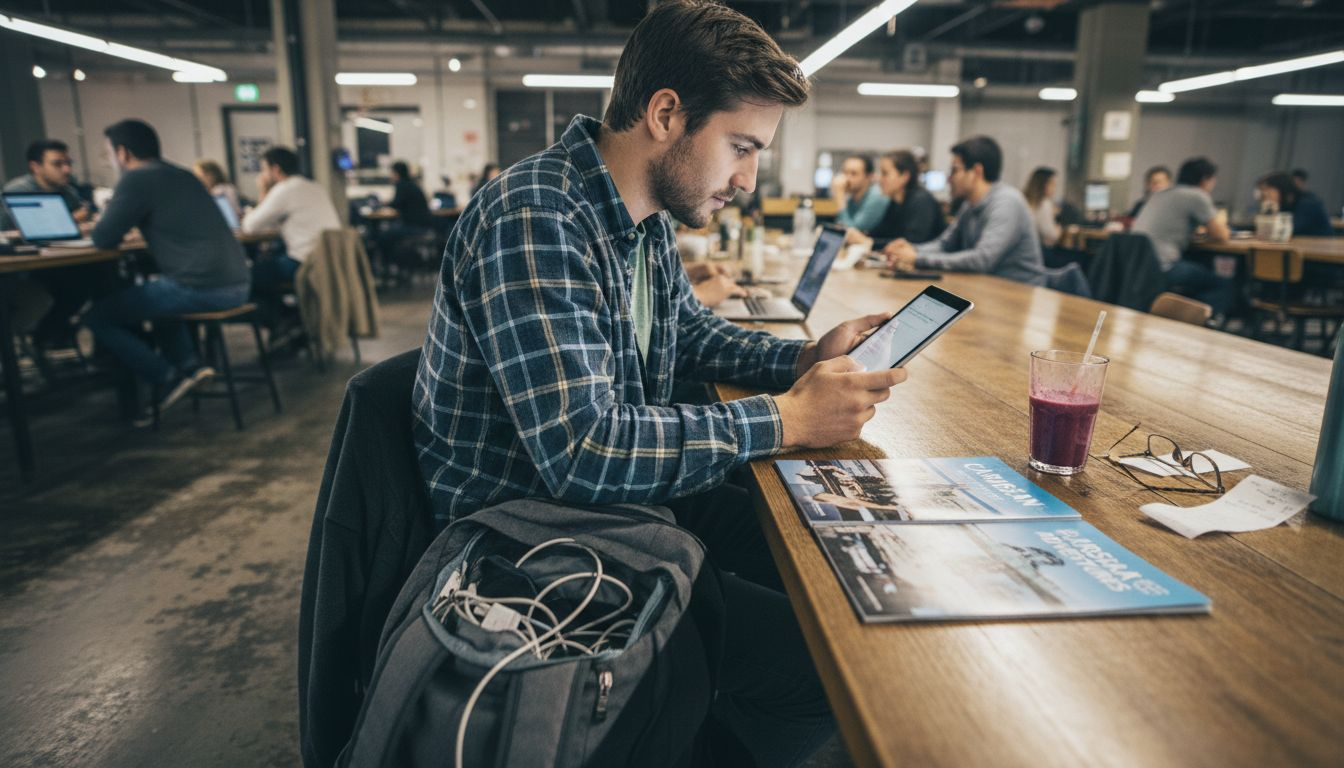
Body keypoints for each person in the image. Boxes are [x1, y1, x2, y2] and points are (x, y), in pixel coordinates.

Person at [413, 3, 905, 764]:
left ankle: (694, 716)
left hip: (615, 506)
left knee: (833, 552)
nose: (747, 180)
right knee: (824, 667)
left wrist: (799, 365)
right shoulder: (538, 215)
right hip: (535, 543)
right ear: (667, 113)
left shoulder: (640, 219)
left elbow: (684, 332)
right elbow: (584, 449)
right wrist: (784, 420)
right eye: (741, 147)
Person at [85, 119, 250, 423]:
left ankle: (166, 376)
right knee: (157, 295)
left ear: (122, 153)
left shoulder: (136, 179)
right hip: (237, 281)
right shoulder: (184, 175)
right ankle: (191, 366)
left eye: (108, 153)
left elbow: (102, 238)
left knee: (98, 317)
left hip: (203, 288)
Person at [882, 136, 1046, 286]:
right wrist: (911, 249)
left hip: (1022, 293)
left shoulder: (1007, 202)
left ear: (976, 171)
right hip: (990, 288)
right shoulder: (969, 204)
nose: (949, 178)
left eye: (955, 170)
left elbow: (981, 260)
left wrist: (917, 258)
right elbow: (944, 244)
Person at [3, 139, 105, 349]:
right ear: (35, 167)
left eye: (68, 163)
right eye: (58, 164)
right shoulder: (18, 190)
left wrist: (77, 223)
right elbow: (18, 234)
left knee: (101, 277)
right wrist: (72, 223)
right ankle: (47, 335)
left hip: (60, 262)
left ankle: (59, 335)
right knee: (82, 283)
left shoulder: (67, 191)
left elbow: (83, 220)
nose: (67, 170)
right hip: (26, 268)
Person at [1131, 156, 1232, 314]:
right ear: (1206, 179)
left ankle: (1182, 316)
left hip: (1138, 265)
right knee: (1224, 284)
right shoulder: (1197, 195)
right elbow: (1221, 235)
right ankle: (1200, 325)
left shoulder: (1159, 194)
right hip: (1164, 267)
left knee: (1197, 271)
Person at [240, 146, 341, 286]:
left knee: (247, 276)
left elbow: (249, 226)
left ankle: (274, 308)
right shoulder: (315, 186)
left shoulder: (285, 189)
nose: (262, 175)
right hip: (329, 260)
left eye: (264, 170)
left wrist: (262, 190)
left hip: (304, 262)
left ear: (276, 169)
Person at [845, 149, 943, 249]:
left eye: (885, 173)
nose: (880, 179)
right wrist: (863, 238)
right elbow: (881, 233)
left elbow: (911, 243)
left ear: (904, 176)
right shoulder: (895, 202)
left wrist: (868, 242)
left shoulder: (922, 202)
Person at [1258, 171, 1332, 237]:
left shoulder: (1308, 203)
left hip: (1316, 249)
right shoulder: (1284, 203)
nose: (1264, 194)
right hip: (1297, 246)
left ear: (1282, 188)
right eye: (1262, 190)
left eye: (1268, 189)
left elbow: (1287, 230)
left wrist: (1270, 210)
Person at [831, 154, 887, 232]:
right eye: (845, 172)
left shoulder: (877, 196)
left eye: (853, 174)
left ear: (869, 177)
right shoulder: (852, 198)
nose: (847, 178)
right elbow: (839, 225)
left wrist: (840, 196)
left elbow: (851, 232)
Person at [1022, 166, 1061, 247]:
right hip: (1039, 251)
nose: (1054, 189)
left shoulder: (1023, 200)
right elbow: (1051, 236)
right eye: (1053, 184)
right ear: (1044, 185)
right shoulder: (1044, 203)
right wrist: (1059, 229)